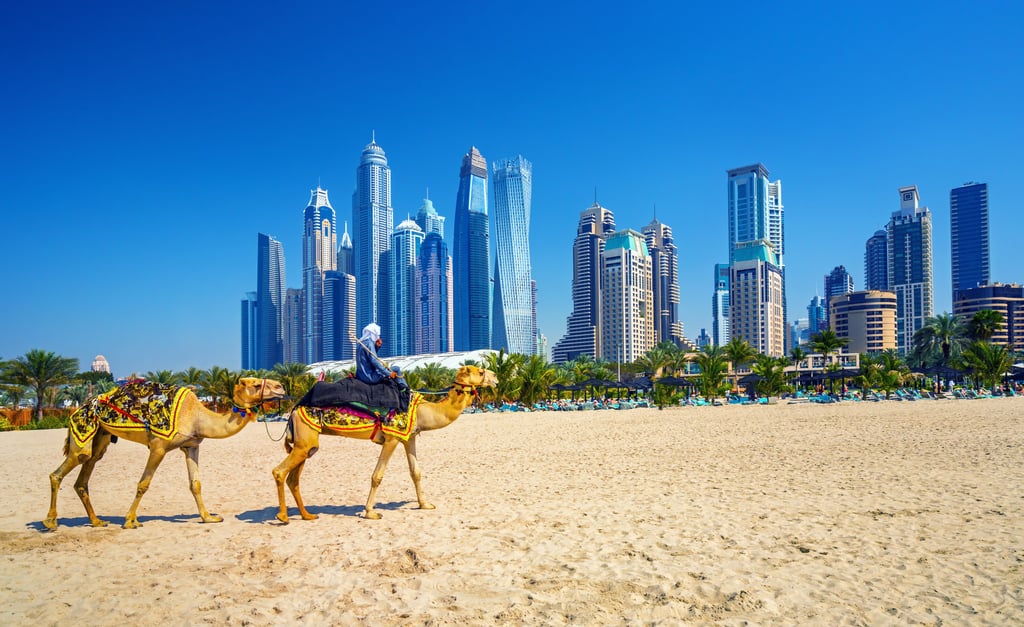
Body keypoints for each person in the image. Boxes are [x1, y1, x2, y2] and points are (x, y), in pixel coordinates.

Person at [356, 323, 408, 391]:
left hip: (360, 376)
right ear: (373, 334)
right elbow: (374, 361)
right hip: (369, 377)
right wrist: (388, 373)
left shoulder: (360, 343)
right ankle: (405, 389)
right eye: (377, 335)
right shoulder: (369, 344)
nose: (378, 337)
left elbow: (370, 357)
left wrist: (377, 347)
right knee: (396, 368)